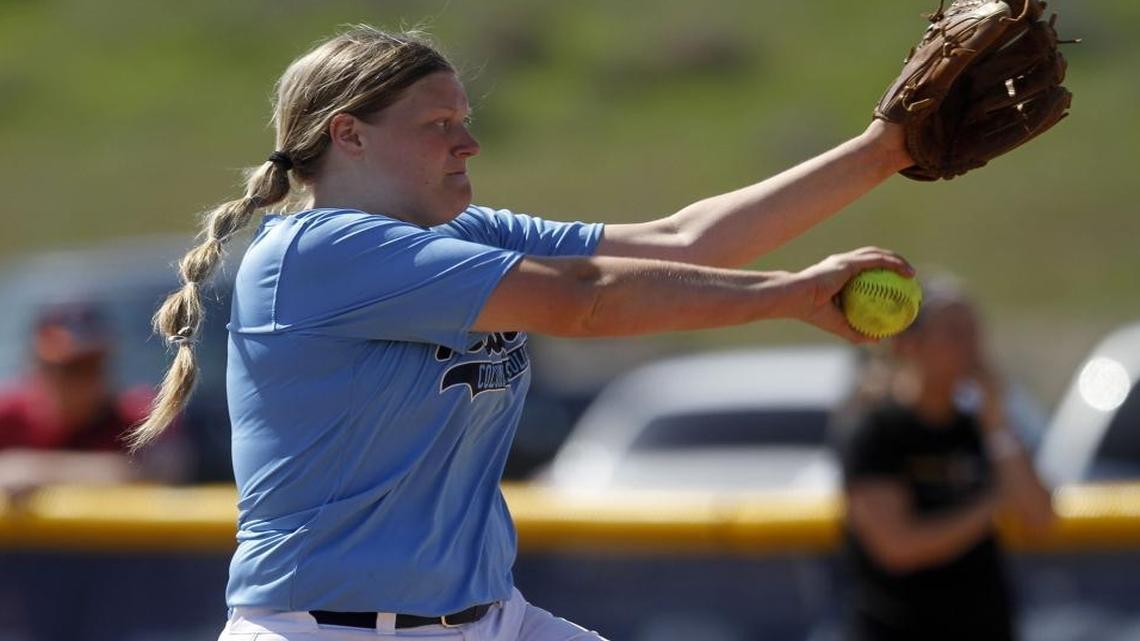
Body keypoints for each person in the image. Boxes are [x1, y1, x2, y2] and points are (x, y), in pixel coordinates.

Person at [127, 26, 918, 641]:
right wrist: (789, 295)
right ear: (349, 135)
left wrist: (887, 150)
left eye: (464, 120)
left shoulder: (469, 232)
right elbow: (583, 301)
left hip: (490, 618)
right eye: (439, 123)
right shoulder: (318, 252)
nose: (467, 143)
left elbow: (684, 243)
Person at [833, 275, 1055, 641]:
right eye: (953, 332)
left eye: (973, 332)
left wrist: (997, 423)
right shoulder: (875, 429)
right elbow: (897, 547)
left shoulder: (981, 427)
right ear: (908, 344)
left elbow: (1040, 517)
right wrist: (990, 508)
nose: (970, 346)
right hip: (901, 628)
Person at [0, 302, 186, 500]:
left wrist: (35, 470)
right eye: (69, 369)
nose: (83, 382)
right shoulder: (8, 415)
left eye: (92, 366)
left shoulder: (140, 420)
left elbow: (159, 475)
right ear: (39, 367)